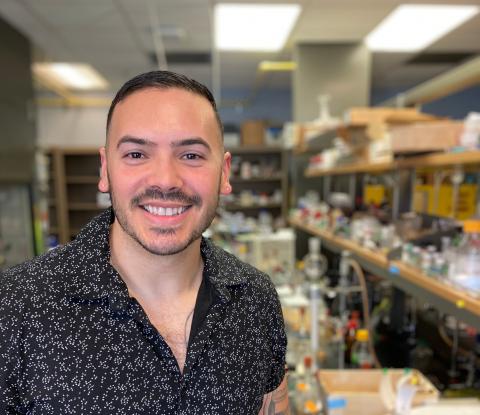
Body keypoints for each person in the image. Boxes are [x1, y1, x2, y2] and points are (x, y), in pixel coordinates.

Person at [0, 70, 289, 414]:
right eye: (136, 154)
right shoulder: (17, 305)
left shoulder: (256, 298)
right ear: (106, 169)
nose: (166, 180)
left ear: (224, 173)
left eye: (191, 155)